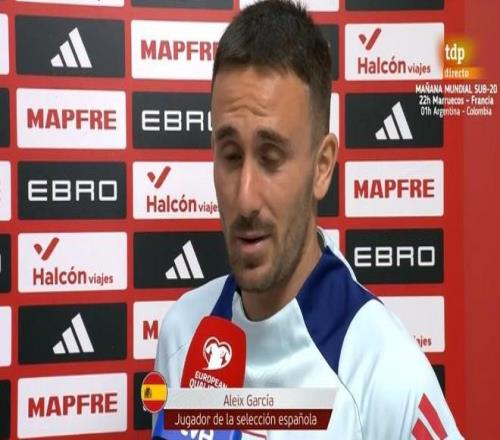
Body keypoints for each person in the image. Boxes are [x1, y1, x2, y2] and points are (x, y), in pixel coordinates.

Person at [155, 1, 463, 438]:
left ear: (322, 167)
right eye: (231, 156)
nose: (245, 198)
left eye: (271, 158)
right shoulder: (181, 335)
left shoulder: (387, 377)